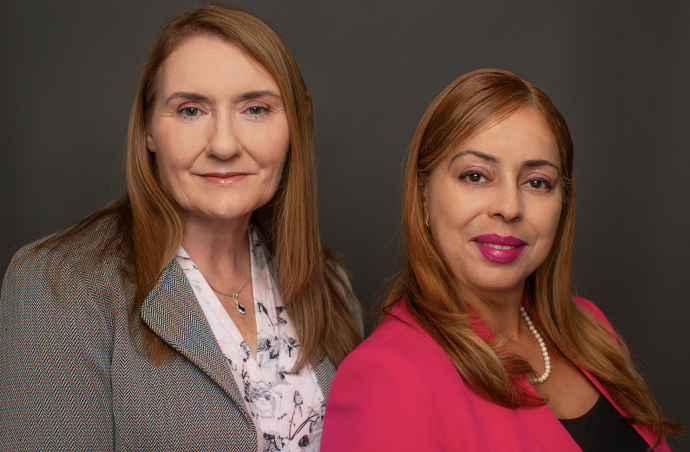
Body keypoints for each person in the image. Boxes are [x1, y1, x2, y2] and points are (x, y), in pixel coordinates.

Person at [0, 5, 362, 451]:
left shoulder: (330, 285)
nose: (224, 145)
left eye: (255, 109)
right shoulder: (59, 286)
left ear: (299, 120)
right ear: (149, 127)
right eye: (191, 110)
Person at [321, 68, 681, 451]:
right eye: (476, 176)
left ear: (563, 202)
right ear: (424, 195)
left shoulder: (590, 331)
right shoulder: (386, 375)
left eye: (537, 182)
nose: (509, 207)